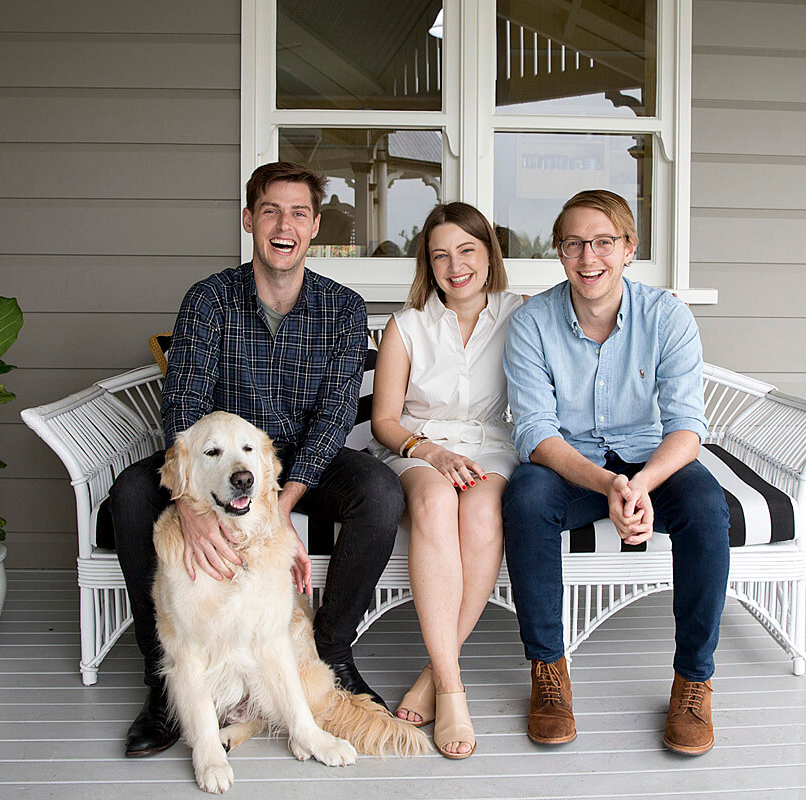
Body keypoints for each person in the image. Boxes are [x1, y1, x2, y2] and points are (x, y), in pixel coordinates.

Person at [109, 162, 404, 758]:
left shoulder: (343, 310)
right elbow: (186, 409)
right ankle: (163, 687)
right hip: (219, 467)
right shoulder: (208, 301)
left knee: (381, 493)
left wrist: (280, 506)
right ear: (249, 220)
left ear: (315, 227)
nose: (283, 224)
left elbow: (332, 419)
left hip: (298, 469)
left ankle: (332, 653)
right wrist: (191, 506)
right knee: (132, 491)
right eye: (270, 210)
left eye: (299, 212)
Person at [501, 189, 731, 755]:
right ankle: (548, 672)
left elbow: (686, 428)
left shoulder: (667, 316)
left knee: (706, 508)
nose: (589, 257)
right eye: (575, 244)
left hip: (650, 457)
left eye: (603, 242)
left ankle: (693, 681)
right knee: (526, 501)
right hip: (571, 463)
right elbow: (536, 432)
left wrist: (640, 485)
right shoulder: (532, 322)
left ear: (629, 249)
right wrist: (607, 485)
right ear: (558, 252)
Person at [368, 203, 525, 759]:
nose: (455, 265)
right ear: (427, 265)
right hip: (417, 448)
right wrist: (430, 453)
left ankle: (434, 675)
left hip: (492, 447)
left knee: (481, 512)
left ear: (488, 255)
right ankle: (454, 692)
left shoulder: (521, 314)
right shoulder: (407, 325)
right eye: (440, 255)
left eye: (467, 250)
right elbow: (384, 421)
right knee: (436, 505)